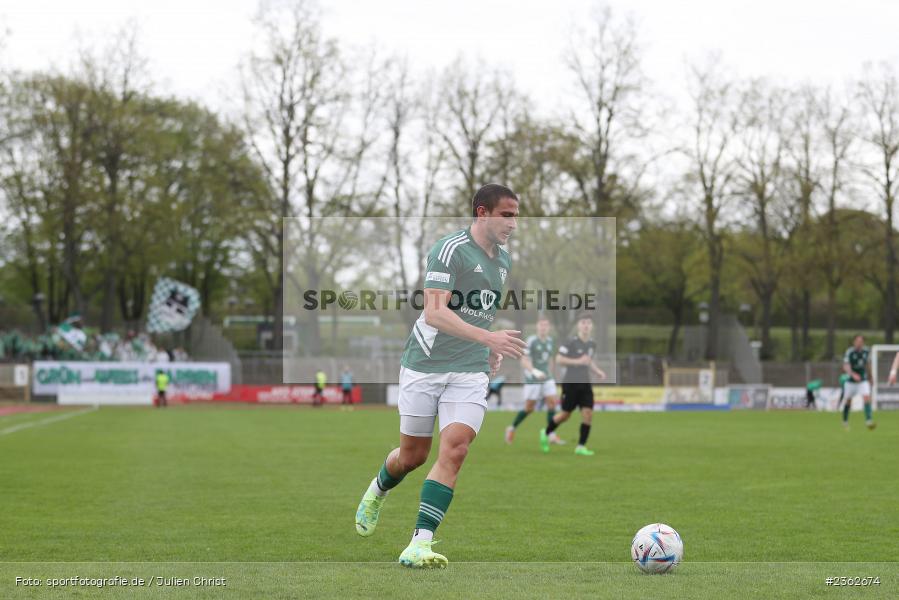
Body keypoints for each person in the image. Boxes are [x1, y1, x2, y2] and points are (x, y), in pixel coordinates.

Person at [353, 184, 526, 569]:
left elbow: (480, 313)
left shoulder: (503, 262)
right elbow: (435, 313)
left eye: (516, 215)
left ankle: (420, 543)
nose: (514, 223)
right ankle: (378, 488)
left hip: (469, 372)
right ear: (483, 213)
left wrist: (488, 349)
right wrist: (487, 337)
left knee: (456, 448)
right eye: (507, 214)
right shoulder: (449, 250)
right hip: (424, 366)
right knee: (412, 456)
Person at [541, 313, 607, 456]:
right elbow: (559, 359)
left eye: (588, 323)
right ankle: (546, 432)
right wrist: (578, 361)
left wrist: (597, 371)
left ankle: (581, 446)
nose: (586, 325)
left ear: (591, 326)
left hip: (586, 384)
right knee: (565, 415)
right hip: (570, 383)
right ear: (578, 325)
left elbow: (588, 361)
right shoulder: (570, 342)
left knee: (588, 413)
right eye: (583, 322)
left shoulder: (592, 344)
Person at [506, 316, 563, 445]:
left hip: (547, 379)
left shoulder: (550, 340)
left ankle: (551, 434)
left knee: (552, 403)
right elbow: (524, 360)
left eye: (546, 325)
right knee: (529, 408)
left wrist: (550, 373)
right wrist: (535, 372)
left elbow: (550, 359)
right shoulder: (531, 341)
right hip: (533, 379)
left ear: (549, 328)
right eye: (541, 325)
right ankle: (512, 428)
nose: (543, 328)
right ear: (537, 327)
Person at [842, 335, 875, 430]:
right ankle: (845, 421)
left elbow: (868, 364)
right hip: (850, 381)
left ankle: (869, 421)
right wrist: (852, 374)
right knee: (848, 401)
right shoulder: (850, 352)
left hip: (862, 380)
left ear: (863, 342)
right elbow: (845, 366)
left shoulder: (866, 351)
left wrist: (871, 377)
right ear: (854, 342)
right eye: (857, 341)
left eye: (861, 341)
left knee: (866, 397)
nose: (859, 343)